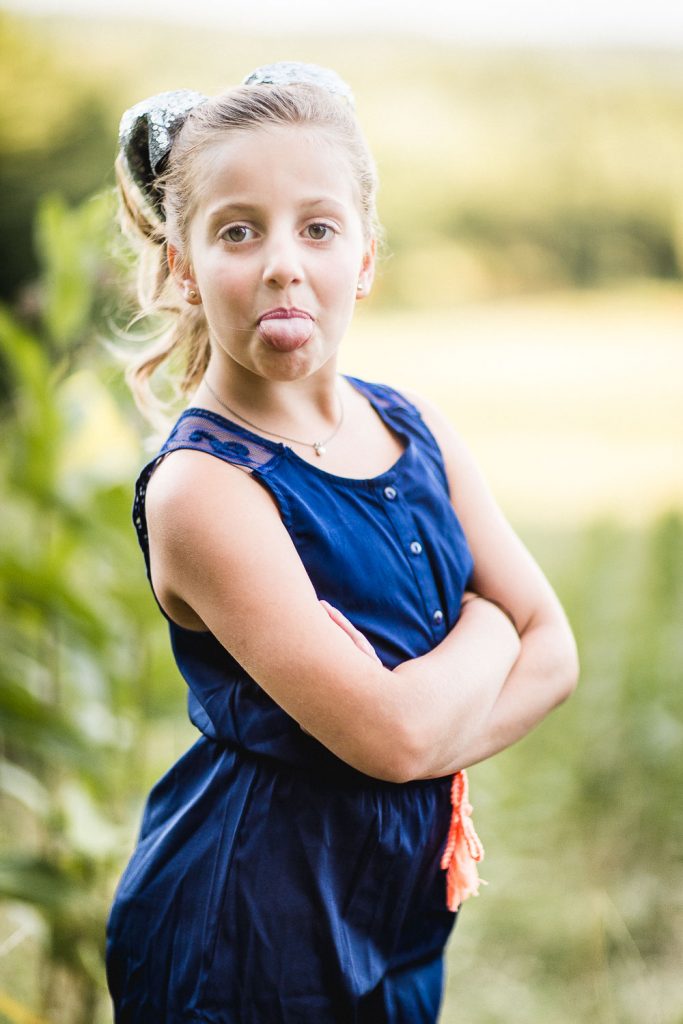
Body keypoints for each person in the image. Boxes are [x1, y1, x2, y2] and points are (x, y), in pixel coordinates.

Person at [105, 62, 579, 1024]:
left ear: (363, 257)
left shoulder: (416, 428)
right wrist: (489, 627)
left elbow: (557, 653)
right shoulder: (207, 487)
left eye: (317, 227)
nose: (283, 261)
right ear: (186, 267)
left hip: (401, 911)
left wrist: (416, 738)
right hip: (246, 934)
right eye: (238, 230)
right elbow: (395, 732)